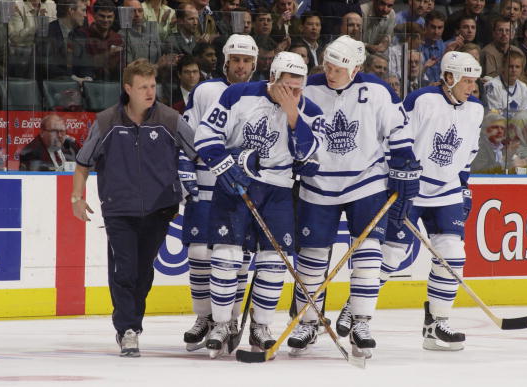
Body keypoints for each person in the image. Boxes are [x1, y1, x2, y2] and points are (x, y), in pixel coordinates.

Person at [287, 36, 418, 359]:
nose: (330, 73)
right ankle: (308, 321)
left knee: (368, 256)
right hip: (318, 184)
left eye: (338, 68)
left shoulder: (377, 90)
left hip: (366, 183)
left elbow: (399, 131)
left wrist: (404, 166)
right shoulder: (310, 87)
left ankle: (361, 322)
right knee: (312, 260)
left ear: (356, 68)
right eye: (328, 66)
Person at [193, 51, 324, 358]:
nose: (293, 93)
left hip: (278, 192)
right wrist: (226, 164)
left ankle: (261, 326)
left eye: (298, 87)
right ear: (273, 79)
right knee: (226, 256)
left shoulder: (310, 110)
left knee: (274, 261)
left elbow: (310, 156)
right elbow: (205, 134)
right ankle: (222, 324)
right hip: (235, 186)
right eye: (287, 87)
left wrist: (293, 114)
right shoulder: (237, 94)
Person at [71, 59, 196, 357]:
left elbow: (201, 152)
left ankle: (131, 324)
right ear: (128, 89)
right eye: (143, 87)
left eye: (153, 86)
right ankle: (127, 329)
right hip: (119, 209)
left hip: (160, 208)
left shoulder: (170, 119)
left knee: (143, 271)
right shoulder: (106, 122)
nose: (150, 92)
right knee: (124, 270)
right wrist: (77, 197)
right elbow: (82, 162)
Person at [379, 51, 483, 351]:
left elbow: (469, 154)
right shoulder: (422, 100)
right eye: (466, 81)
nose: (471, 87)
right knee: (391, 255)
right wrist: (398, 175)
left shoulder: (475, 109)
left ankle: (436, 324)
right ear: (448, 77)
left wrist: (464, 186)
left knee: (453, 253)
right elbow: (396, 139)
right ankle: (356, 311)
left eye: (474, 82)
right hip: (412, 187)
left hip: (447, 189)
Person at [180, 34, 258, 352]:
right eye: (235, 60)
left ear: (254, 64)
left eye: (246, 60)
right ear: (225, 61)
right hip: (206, 182)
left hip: (242, 185)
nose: (240, 66)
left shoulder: (261, 94)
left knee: (235, 259)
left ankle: (231, 319)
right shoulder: (205, 90)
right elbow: (187, 132)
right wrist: (184, 167)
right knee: (199, 255)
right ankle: (205, 318)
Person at [69, 0, 123, 82]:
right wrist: (108, 54)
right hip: (87, 84)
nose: (106, 20)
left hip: (112, 84)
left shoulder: (117, 38)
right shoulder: (81, 35)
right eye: (102, 16)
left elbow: (120, 68)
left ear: (114, 17)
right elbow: (83, 64)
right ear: (94, 15)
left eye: (109, 16)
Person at [484, 49, 527, 117]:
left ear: (522, 69)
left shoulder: (523, 87)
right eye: (510, 66)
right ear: (503, 67)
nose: (514, 70)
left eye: (517, 67)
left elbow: (526, 114)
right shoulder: (492, 86)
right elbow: (494, 114)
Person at [47, 0, 87, 79]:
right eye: (83, 10)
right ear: (71, 10)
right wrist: (73, 79)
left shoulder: (81, 35)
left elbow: (87, 64)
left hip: (78, 87)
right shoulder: (48, 32)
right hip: (55, 86)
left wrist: (87, 78)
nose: (85, 15)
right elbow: (48, 67)